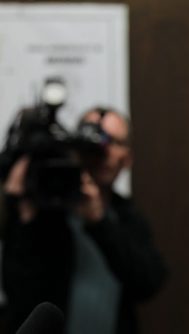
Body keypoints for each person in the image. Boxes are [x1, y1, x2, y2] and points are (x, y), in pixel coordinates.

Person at [0, 106, 167, 334]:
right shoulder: (47, 211)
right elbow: (18, 290)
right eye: (92, 139)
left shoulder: (126, 217)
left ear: (127, 158)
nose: (102, 150)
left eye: (113, 142)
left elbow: (148, 282)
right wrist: (23, 213)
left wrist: (100, 222)